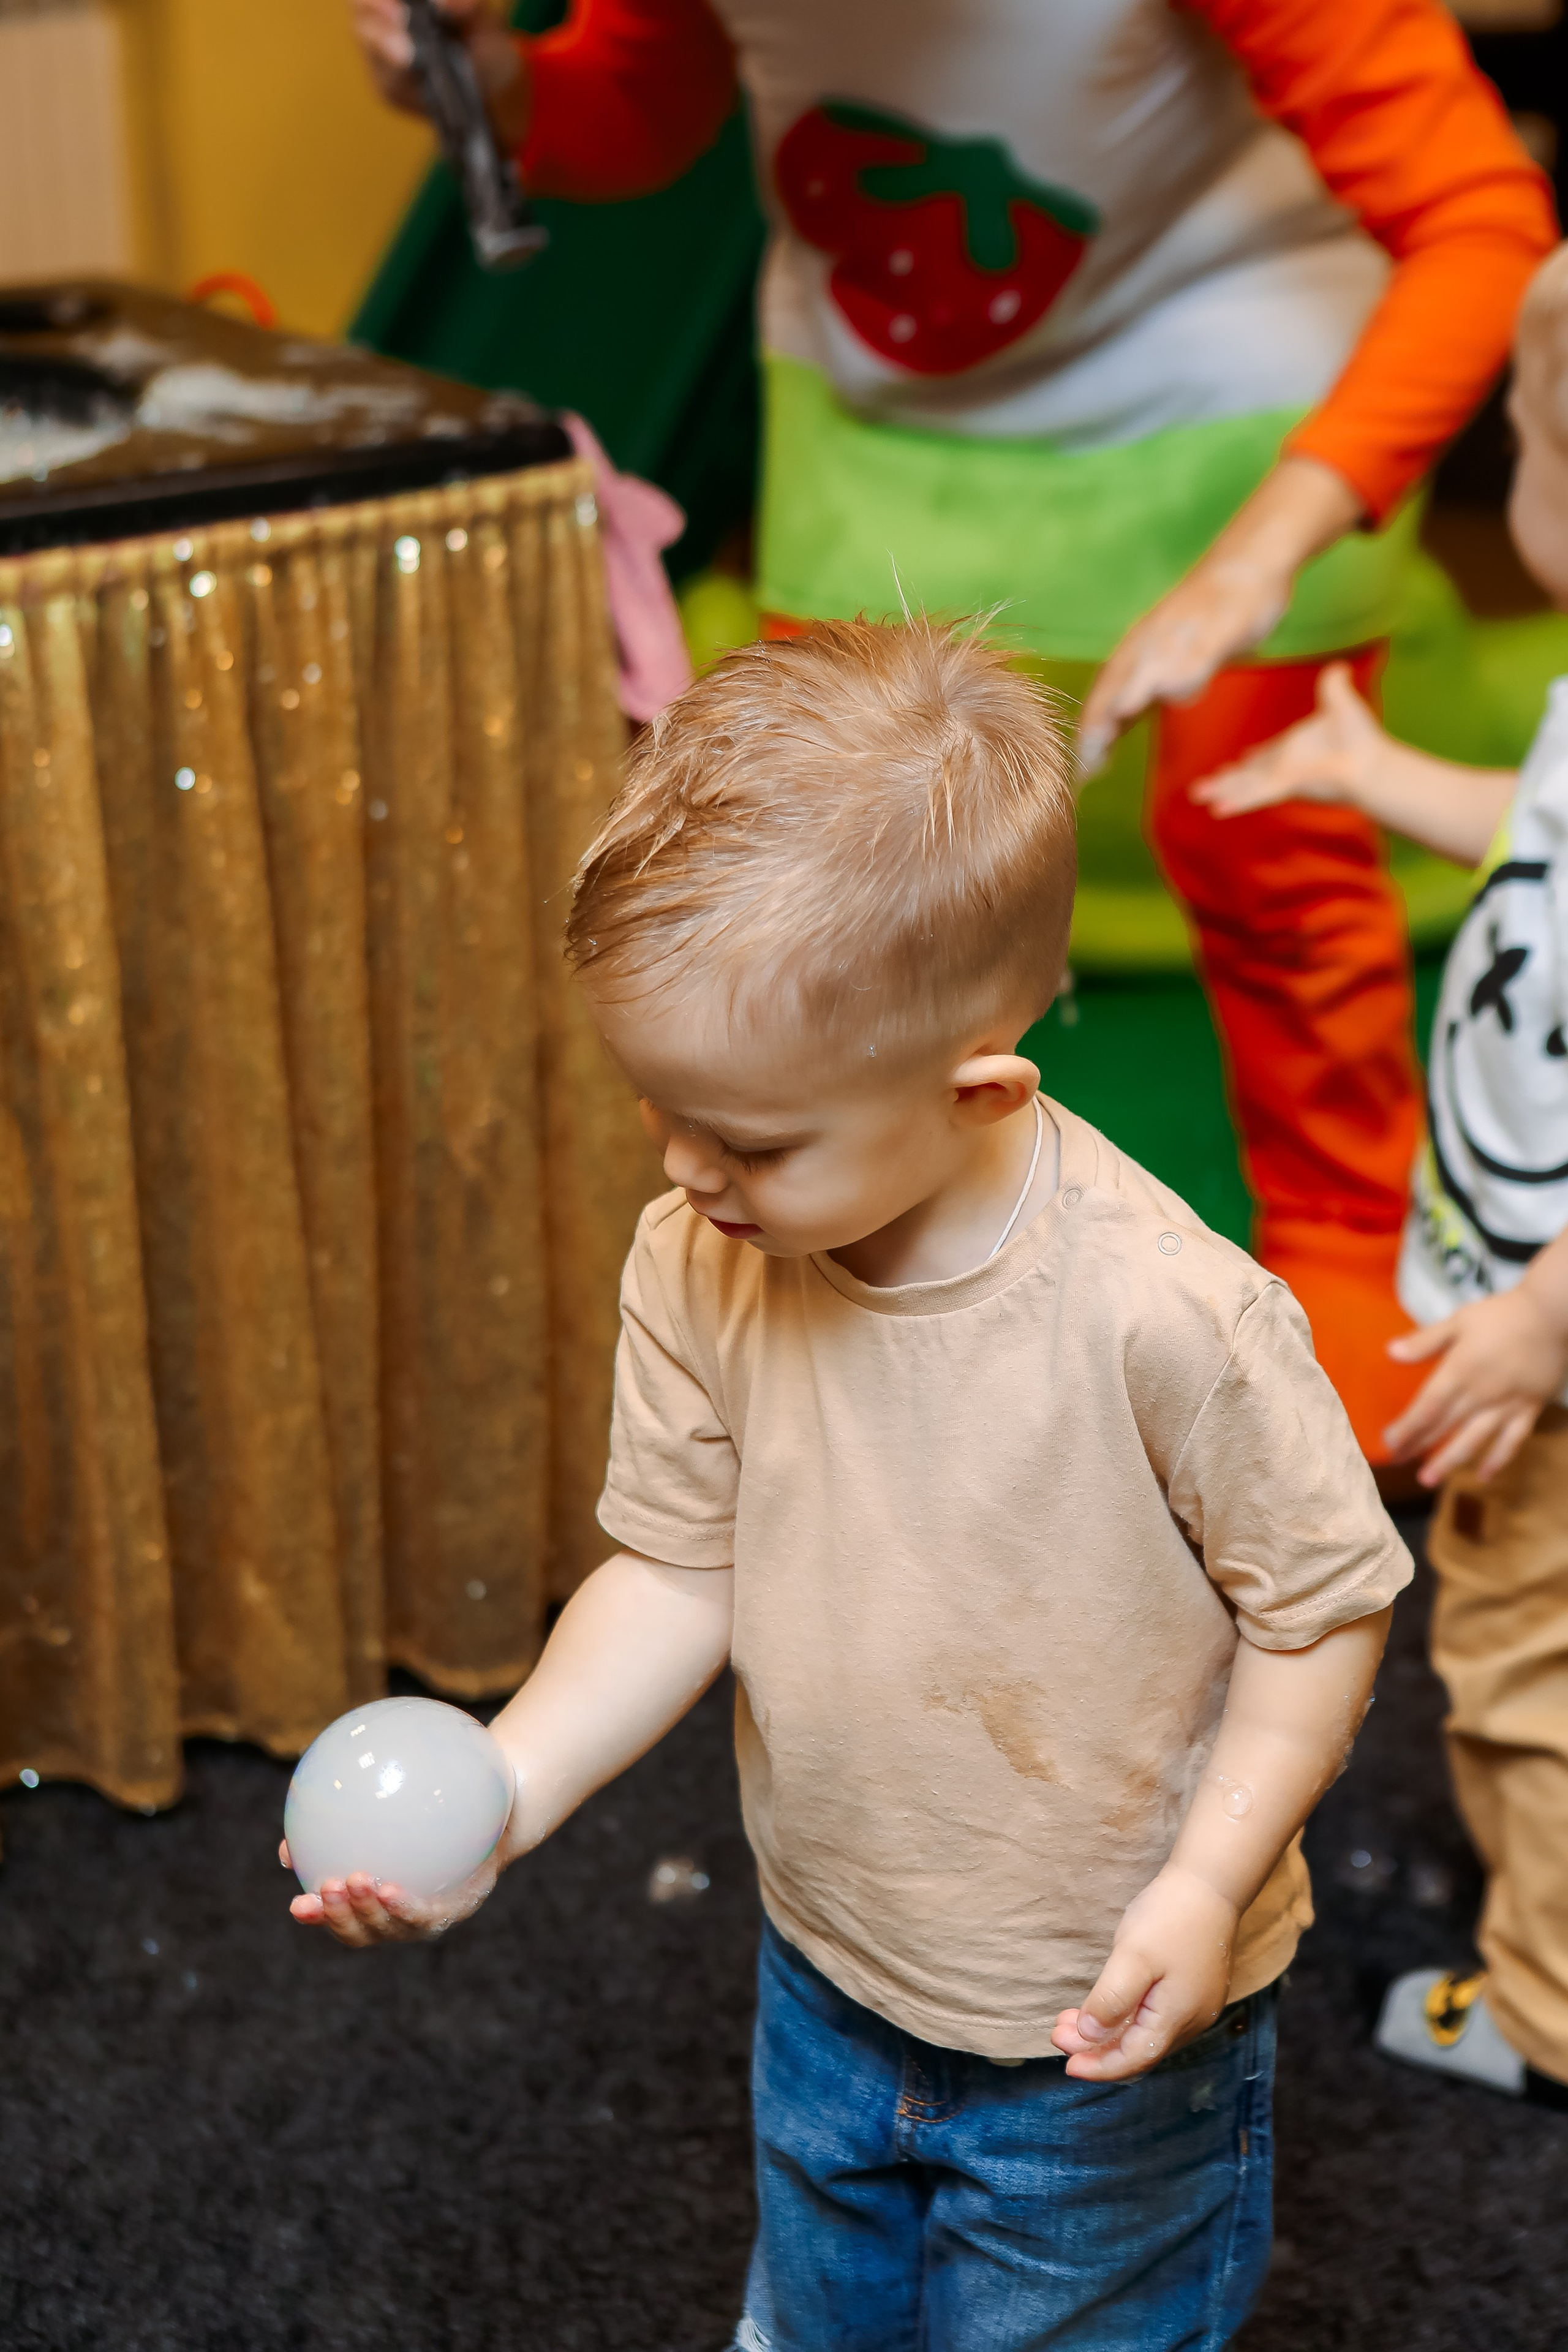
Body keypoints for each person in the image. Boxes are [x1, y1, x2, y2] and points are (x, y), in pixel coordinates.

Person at [288, 618, 1412, 2343]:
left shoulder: (1170, 1316)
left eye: (749, 1137)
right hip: (828, 1968)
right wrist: (506, 1790)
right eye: (663, 1111)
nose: (686, 1170)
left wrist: (1204, 1885)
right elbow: (676, 1571)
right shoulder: (700, 1257)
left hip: (1096, 2033)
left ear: (978, 1091)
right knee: (819, 2315)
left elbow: (1322, 1610)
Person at [347, 0, 1556, 1468]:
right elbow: (645, 103)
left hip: (1240, 402)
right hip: (884, 420)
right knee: (801, 888)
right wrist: (505, 89)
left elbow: (1478, 218)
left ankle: (1347, 1244)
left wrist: (1271, 539)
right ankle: (865, 1262)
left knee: (1256, 840)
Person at [1193, 244, 1568, 2109]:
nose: (1506, 453)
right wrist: (1376, 764)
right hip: (1525, 1299)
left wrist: (1538, 1323)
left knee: (1519, 1668)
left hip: (1548, 1341)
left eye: (1530, 439)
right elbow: (1549, 839)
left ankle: (1550, 2006)